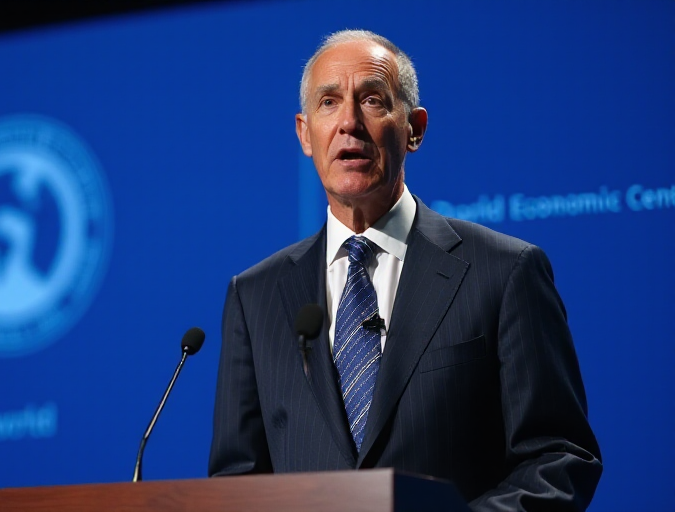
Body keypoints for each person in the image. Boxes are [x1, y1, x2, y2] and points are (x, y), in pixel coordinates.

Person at [208, 30, 602, 511]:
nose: (348, 122)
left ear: (414, 128)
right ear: (304, 133)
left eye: (372, 100)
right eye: (328, 102)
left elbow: (558, 459)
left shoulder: (504, 271)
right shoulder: (256, 296)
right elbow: (236, 483)